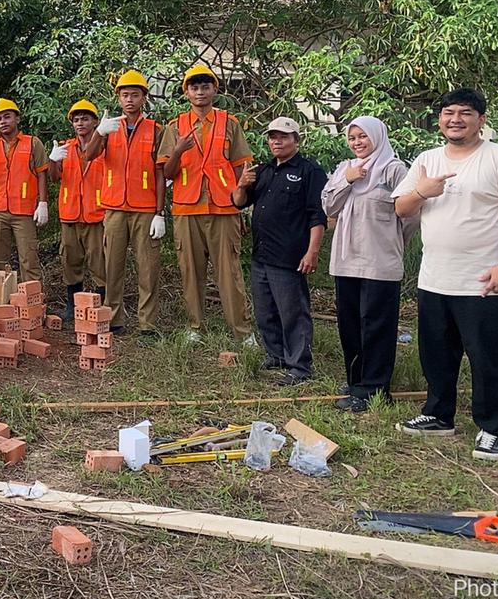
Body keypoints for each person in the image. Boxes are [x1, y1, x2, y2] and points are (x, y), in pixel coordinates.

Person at [392, 89, 498, 460]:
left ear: (481, 120)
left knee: (488, 356)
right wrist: (423, 189)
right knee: (436, 352)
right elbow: (402, 209)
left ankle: (494, 427)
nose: (456, 119)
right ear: (439, 119)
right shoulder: (427, 159)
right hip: (435, 277)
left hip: (486, 280)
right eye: (449, 112)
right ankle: (439, 415)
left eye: (465, 113)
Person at [320, 116, 414, 412]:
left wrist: (393, 242)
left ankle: (375, 388)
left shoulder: (394, 170)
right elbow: (328, 206)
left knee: (377, 326)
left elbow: (411, 215)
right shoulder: (344, 169)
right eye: (353, 138)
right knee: (349, 324)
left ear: (378, 136)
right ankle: (356, 380)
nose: (358, 142)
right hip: (346, 260)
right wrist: (348, 181)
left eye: (363, 136)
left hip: (379, 262)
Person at [159, 65, 255, 342]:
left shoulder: (230, 124)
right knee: (191, 272)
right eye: (194, 87)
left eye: (205, 86)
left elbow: (241, 169)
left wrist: (243, 207)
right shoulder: (175, 127)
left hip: (223, 208)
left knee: (230, 272)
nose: (200, 91)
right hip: (186, 208)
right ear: (186, 92)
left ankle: (242, 331)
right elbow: (166, 172)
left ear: (214, 90)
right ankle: (195, 328)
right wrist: (177, 150)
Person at [233, 117, 326, 387]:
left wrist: (312, 252)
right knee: (265, 311)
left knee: (293, 312)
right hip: (261, 254)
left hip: (289, 257)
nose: (277, 141)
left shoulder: (310, 171)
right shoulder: (262, 170)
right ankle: (276, 355)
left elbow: (316, 216)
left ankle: (300, 366)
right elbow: (239, 203)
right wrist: (241, 184)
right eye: (273, 137)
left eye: (283, 137)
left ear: (296, 140)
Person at [85, 70, 166, 336]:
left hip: (144, 209)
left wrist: (159, 213)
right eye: (124, 95)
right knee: (112, 267)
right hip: (115, 209)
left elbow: (160, 171)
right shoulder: (109, 127)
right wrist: (99, 132)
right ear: (118, 98)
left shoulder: (155, 130)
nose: (129, 99)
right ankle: (114, 319)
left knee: (148, 268)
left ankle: (148, 324)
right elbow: (89, 155)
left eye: (134, 94)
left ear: (144, 97)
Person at [0, 98, 49, 283]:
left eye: (7, 117)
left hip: (23, 210)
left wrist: (43, 203)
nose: (3, 122)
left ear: (17, 119)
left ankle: (33, 302)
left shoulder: (33, 143)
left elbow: (42, 174)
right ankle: (3, 302)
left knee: (29, 258)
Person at [48, 99, 107, 323]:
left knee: (99, 262)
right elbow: (55, 177)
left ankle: (101, 310)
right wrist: (53, 160)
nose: (80, 123)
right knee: (70, 261)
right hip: (70, 214)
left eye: (85, 119)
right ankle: (73, 309)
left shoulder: (103, 146)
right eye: (76, 120)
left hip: (96, 214)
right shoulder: (66, 147)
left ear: (94, 121)